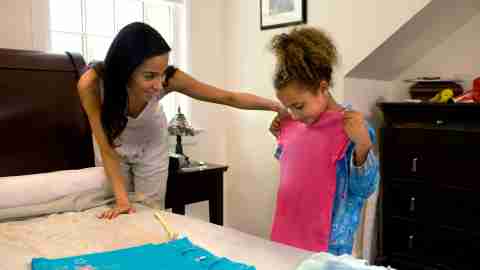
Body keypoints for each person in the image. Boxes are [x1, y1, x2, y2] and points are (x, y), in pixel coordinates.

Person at [77, 22, 282, 220]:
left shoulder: (170, 80)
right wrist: (122, 201)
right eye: (149, 76)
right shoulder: (92, 84)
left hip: (151, 142)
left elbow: (226, 97)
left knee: (150, 211)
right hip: (112, 144)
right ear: (125, 69)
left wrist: (276, 106)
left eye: (162, 74)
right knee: (120, 207)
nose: (159, 85)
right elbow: (105, 146)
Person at [267, 27, 379, 255]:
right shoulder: (295, 124)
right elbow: (295, 172)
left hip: (329, 248)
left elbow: (364, 189)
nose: (294, 115)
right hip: (286, 238)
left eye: (299, 106)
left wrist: (363, 146)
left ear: (323, 88)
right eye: (288, 107)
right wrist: (280, 134)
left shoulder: (352, 128)